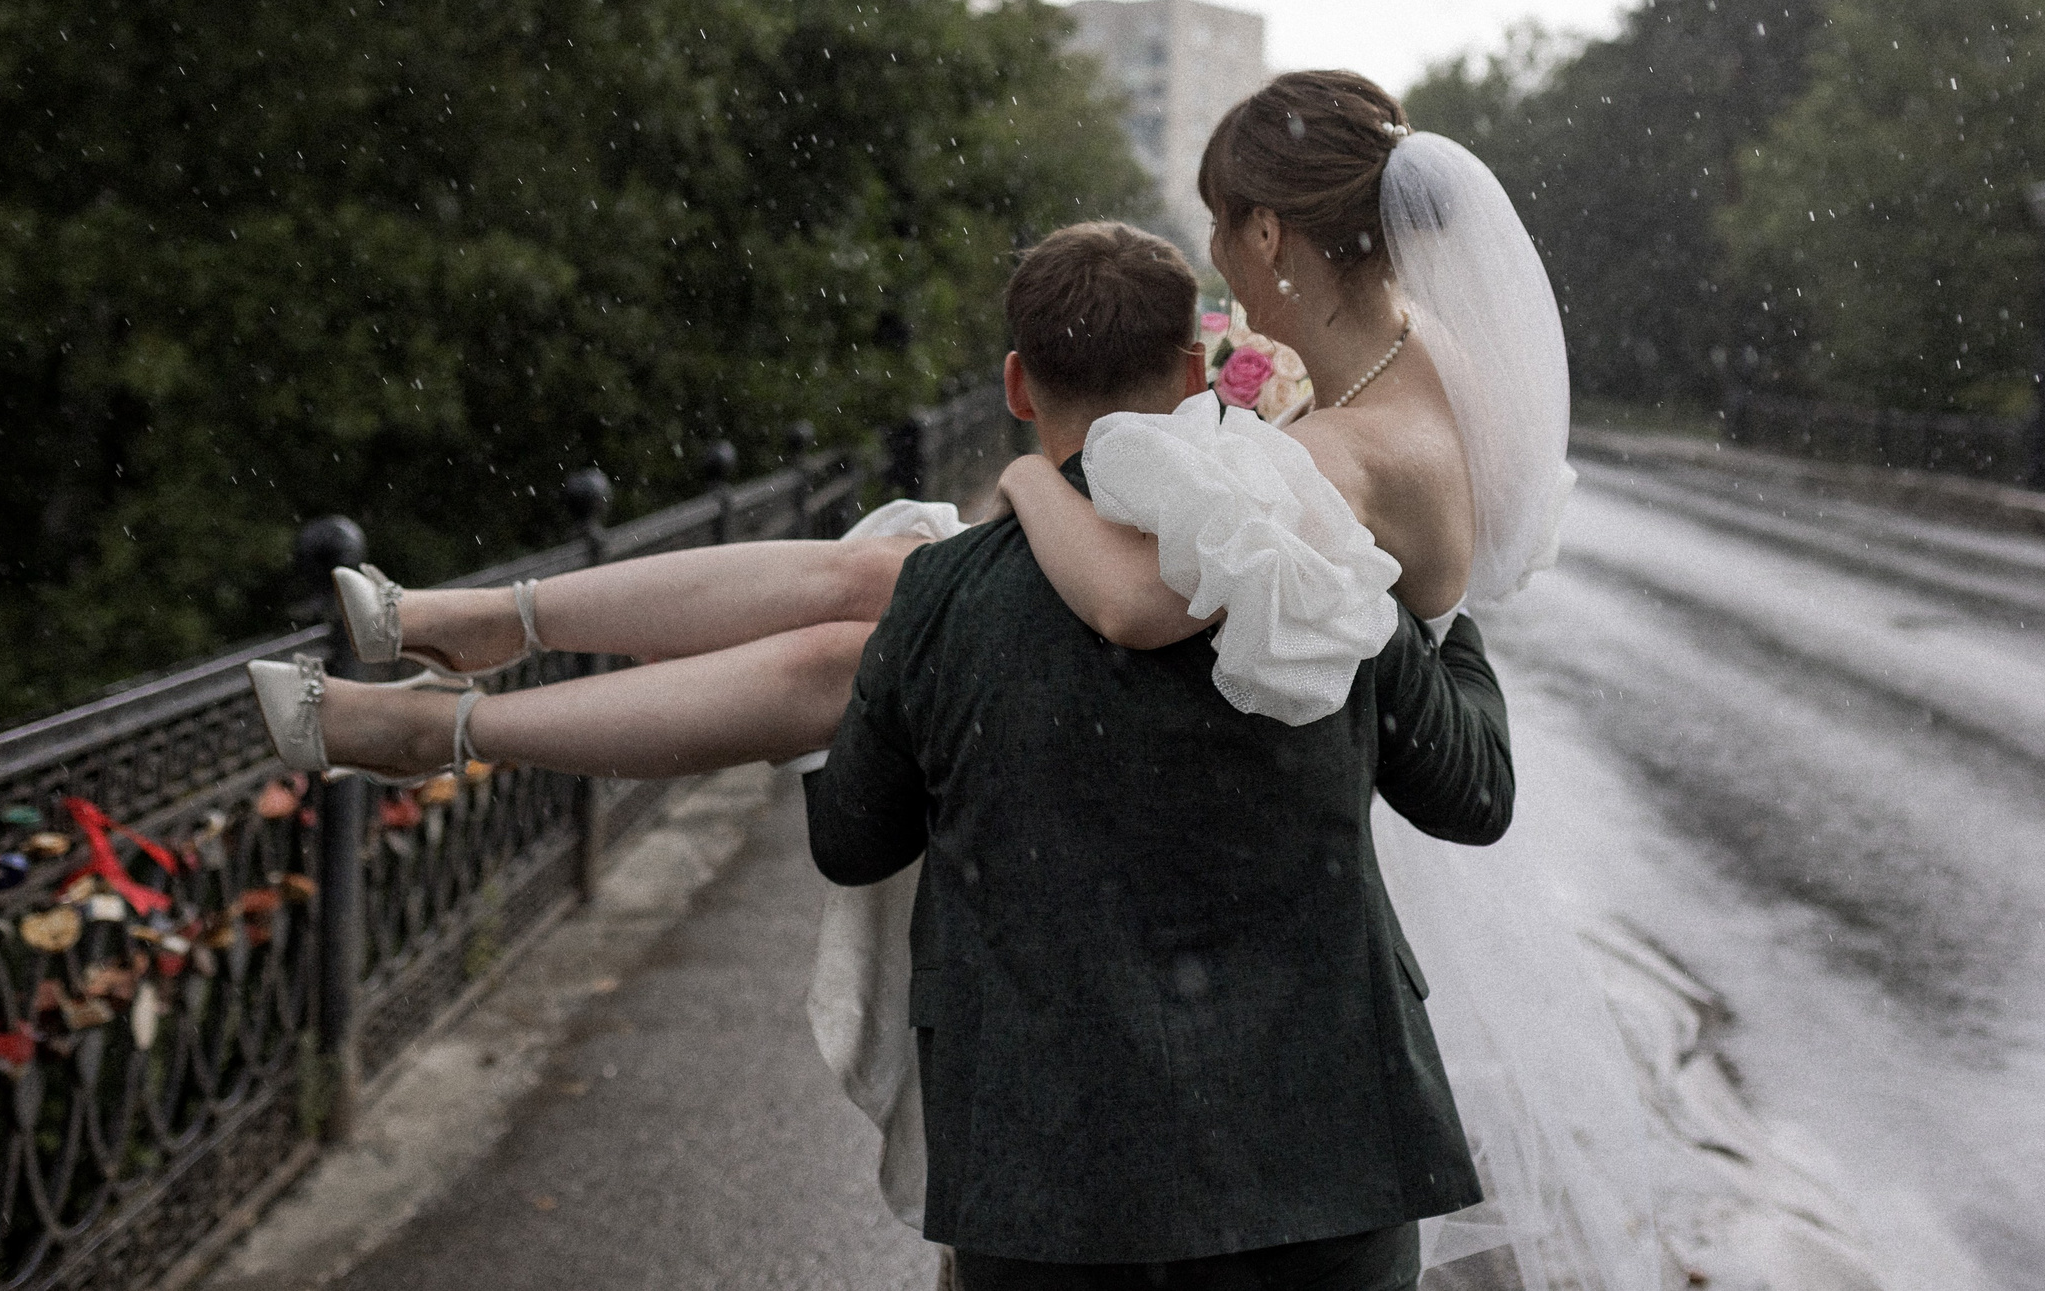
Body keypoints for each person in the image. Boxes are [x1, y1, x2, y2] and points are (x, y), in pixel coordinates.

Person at [246, 69, 1663, 1288]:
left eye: (1229, 230)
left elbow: (1120, 599)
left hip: (1120, 1040)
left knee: (889, 597)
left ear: (1276, 232)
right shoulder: (1416, 362)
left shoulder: (1342, 454)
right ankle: (475, 655)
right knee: (883, 589)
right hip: (1314, 1112)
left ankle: (469, 678)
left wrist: (1015, 493)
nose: (1227, 266)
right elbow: (1391, 590)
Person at [805, 219, 1512, 1290]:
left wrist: (836, 713)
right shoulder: (1304, 547)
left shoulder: (944, 596)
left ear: (1015, 383)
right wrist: (1452, 605)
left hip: (1042, 1171)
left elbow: (852, 839)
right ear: (1195, 370)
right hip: (1321, 1150)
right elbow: (1472, 791)